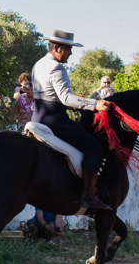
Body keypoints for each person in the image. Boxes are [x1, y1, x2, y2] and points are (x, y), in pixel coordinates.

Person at [31, 30, 114, 209]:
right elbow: (66, 98)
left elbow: (49, 96)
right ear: (56, 48)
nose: (70, 53)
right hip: (55, 121)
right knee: (94, 147)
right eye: (68, 49)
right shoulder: (57, 68)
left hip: (37, 117)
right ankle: (88, 195)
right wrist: (95, 104)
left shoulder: (38, 64)